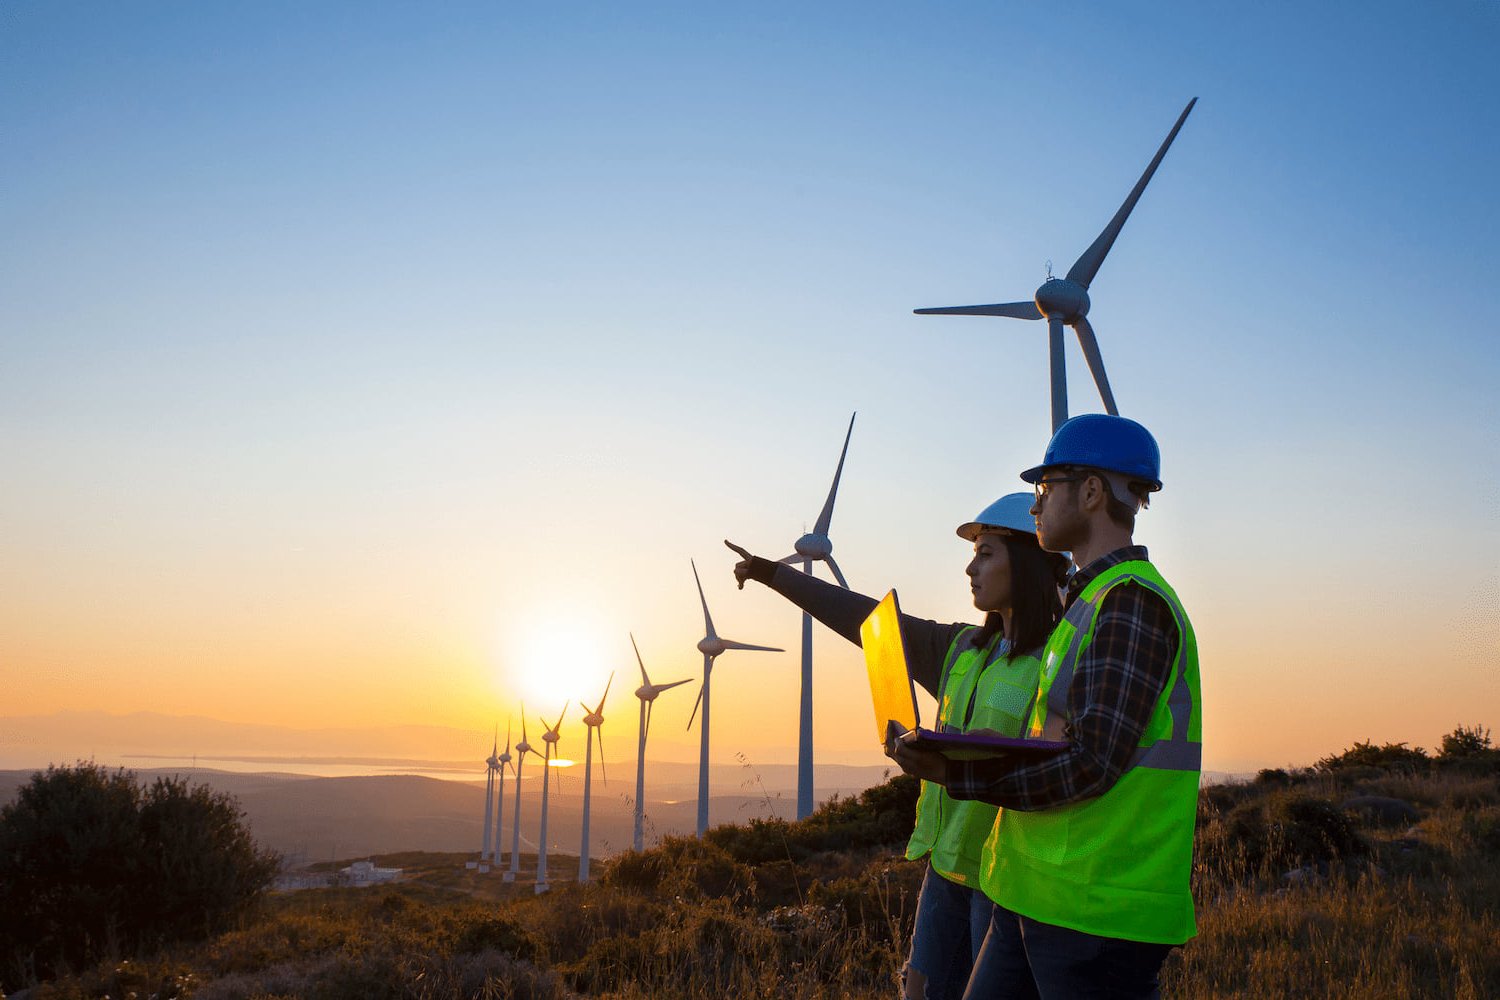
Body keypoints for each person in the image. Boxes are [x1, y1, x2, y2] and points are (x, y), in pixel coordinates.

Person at [887, 414, 1202, 1000]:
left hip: (1096, 914)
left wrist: (957, 774)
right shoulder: (1086, 606)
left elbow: (1090, 764)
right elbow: (1053, 740)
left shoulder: (1131, 603)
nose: (1035, 507)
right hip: (1032, 892)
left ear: (1090, 492)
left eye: (1045, 487)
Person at [725, 494, 1071, 1000]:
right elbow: (867, 622)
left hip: (1005, 880)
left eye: (986, 553)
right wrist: (774, 574)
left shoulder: (1058, 660)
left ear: (1027, 561)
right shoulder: (958, 649)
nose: (970, 567)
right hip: (944, 869)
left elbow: (1056, 766)